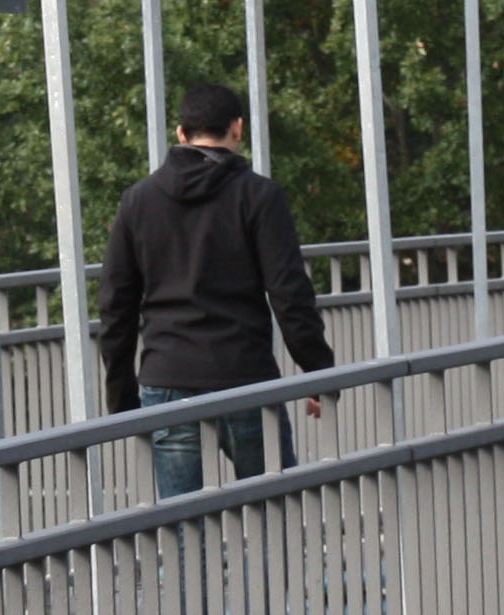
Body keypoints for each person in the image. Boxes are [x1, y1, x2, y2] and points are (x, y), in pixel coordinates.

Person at [97, 81, 334, 500]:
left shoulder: (138, 201)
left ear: (181, 134)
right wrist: (318, 373)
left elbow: (116, 306)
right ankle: (270, 569)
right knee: (274, 514)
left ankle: (188, 569)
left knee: (182, 528)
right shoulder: (260, 196)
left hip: (167, 381)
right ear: (238, 129)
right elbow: (289, 294)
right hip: (245, 376)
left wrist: (122, 399)